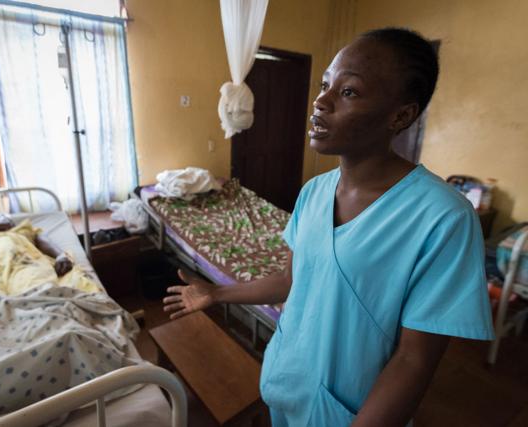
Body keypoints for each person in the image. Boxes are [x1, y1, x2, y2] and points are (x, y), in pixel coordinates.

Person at [163, 28, 494, 426]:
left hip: (350, 411)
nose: (320, 101)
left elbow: (414, 360)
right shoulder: (314, 192)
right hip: (285, 380)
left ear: (401, 115)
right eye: (324, 85)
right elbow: (290, 278)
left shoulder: (444, 218)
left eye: (348, 91)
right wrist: (215, 293)